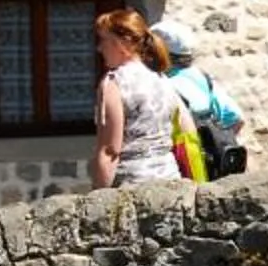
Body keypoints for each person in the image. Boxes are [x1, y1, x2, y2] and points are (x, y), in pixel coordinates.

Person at [91, 10, 180, 189]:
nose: (99, 48)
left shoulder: (113, 83)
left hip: (133, 187)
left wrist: (97, 198)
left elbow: (110, 151)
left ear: (122, 43)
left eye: (103, 40)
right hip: (171, 182)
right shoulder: (161, 79)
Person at [151, 19, 244, 173]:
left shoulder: (163, 84)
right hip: (211, 166)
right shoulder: (202, 77)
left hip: (182, 168)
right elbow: (236, 118)